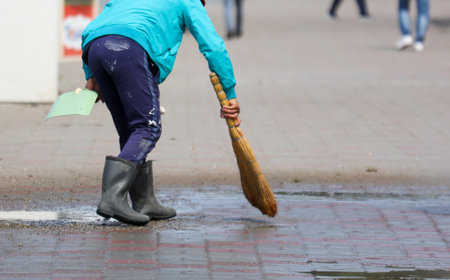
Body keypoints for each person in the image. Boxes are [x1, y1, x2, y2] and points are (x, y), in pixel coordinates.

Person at [81, 0, 241, 225]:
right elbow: (213, 45)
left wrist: (90, 73)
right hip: (130, 48)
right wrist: (230, 92)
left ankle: (144, 200)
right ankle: (112, 197)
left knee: (130, 128)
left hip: (96, 48)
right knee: (148, 128)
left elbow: (90, 29)